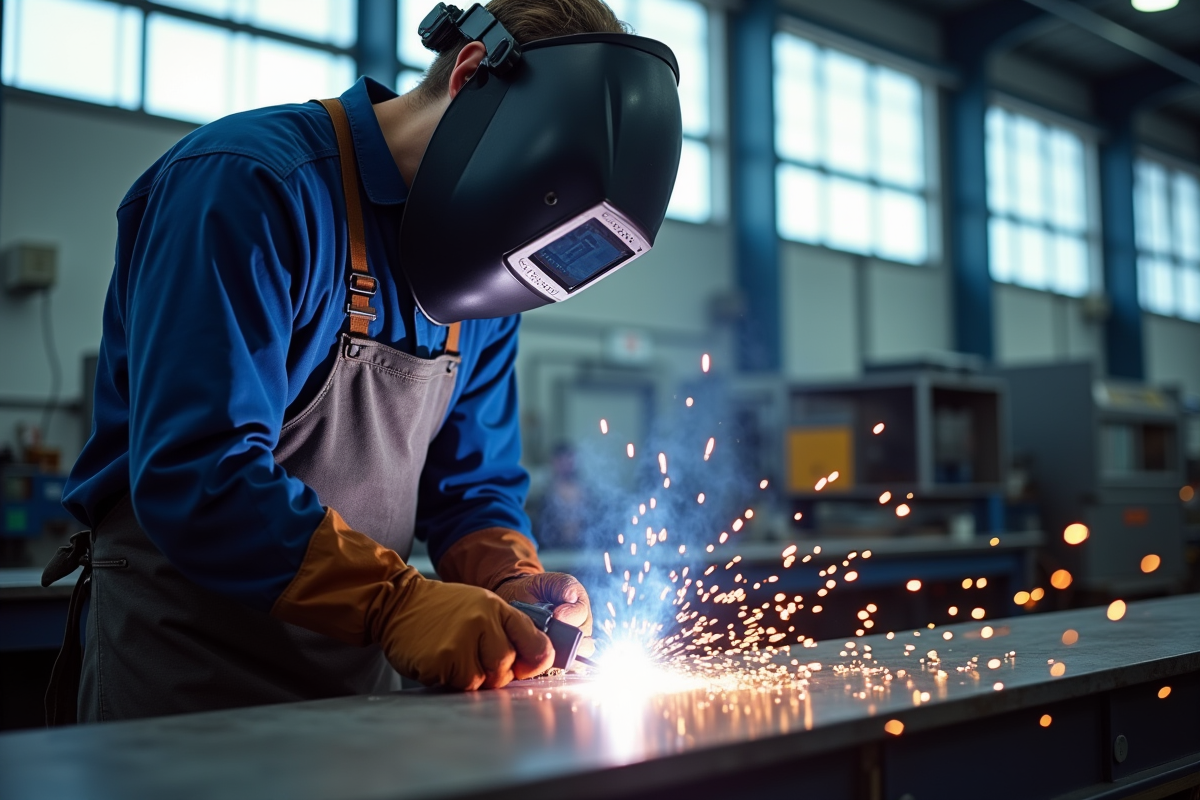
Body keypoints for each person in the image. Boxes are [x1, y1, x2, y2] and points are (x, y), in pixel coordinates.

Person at [47, 0, 682, 723]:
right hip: (188, 672)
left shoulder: (487, 270)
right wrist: (396, 601)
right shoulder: (249, 186)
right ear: (471, 74)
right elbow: (198, 470)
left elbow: (472, 487)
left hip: (355, 680)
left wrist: (509, 581)